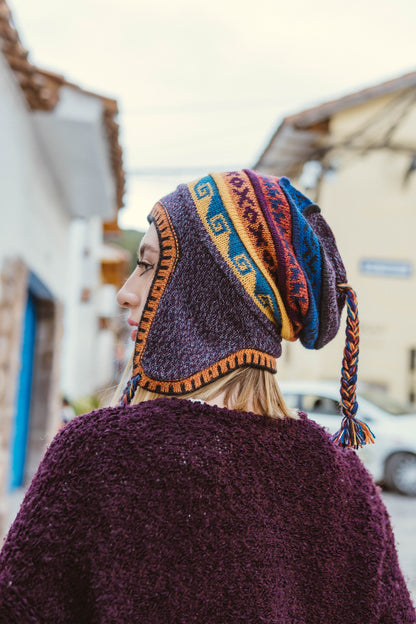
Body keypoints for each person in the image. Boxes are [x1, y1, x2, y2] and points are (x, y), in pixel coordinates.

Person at [0, 170, 414, 623]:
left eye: (150, 266)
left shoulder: (101, 452)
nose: (126, 293)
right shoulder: (344, 479)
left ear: (209, 294)